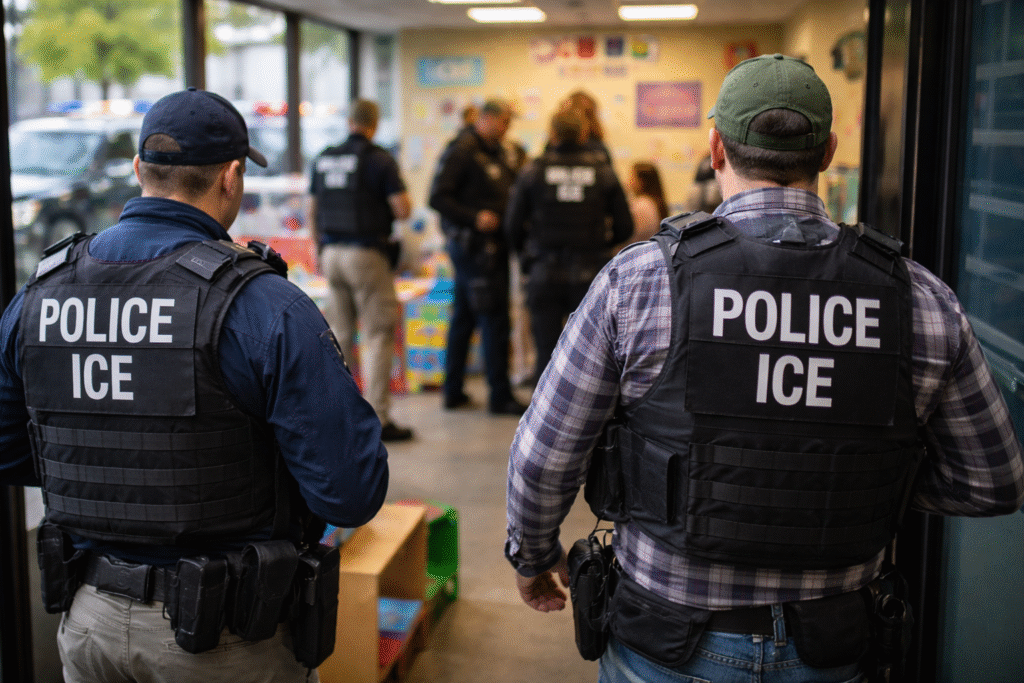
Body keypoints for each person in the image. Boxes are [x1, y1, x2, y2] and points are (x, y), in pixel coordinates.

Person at [505, 54, 1024, 683]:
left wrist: (533, 554)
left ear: (716, 148)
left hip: (668, 641)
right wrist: (864, 483)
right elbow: (993, 480)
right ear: (828, 151)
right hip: (832, 646)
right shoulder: (920, 299)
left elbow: (544, 454)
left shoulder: (638, 282)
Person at [0, 87, 390, 683]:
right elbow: (351, 491)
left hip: (88, 625)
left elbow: (11, 451)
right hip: (224, 640)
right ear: (232, 177)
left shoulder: (39, 296)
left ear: (138, 170)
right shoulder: (264, 306)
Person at [310, 98, 414, 442]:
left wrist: (318, 248)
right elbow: (402, 210)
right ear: (374, 122)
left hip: (331, 254)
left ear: (349, 120)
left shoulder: (324, 157)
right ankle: (379, 418)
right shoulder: (379, 160)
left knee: (339, 336)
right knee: (378, 335)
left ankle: (340, 414)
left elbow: (312, 208)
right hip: (366, 255)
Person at [505, 109, 633, 385]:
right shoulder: (603, 171)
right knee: (591, 355)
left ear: (551, 134)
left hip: (544, 270)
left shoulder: (533, 171)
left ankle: (544, 420)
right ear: (585, 134)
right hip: (590, 274)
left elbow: (512, 226)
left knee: (546, 353)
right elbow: (625, 226)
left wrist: (528, 259)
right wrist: (600, 247)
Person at [429, 98, 526, 415]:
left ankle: (453, 390)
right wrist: (475, 217)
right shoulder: (463, 150)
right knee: (494, 318)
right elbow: (437, 197)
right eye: (505, 122)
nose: (508, 129)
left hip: (490, 247)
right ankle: (500, 395)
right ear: (489, 119)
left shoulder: (494, 151)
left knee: (465, 318)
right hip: (475, 247)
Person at [626, 160, 670, 243]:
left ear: (641, 182)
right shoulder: (653, 202)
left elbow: (631, 236)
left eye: (632, 177)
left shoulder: (642, 205)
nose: (628, 181)